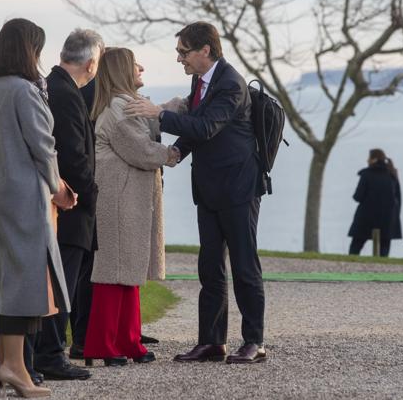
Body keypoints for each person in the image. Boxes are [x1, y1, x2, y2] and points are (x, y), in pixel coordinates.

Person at [124, 21, 266, 364]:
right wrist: (174, 154)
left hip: (238, 188)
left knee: (245, 267)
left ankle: (254, 342)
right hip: (209, 188)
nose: (179, 59)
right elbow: (199, 128)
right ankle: (212, 342)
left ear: (206, 50)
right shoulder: (200, 81)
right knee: (210, 267)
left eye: (183, 52)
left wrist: (159, 114)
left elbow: (206, 126)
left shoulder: (231, 84)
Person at [0, 18, 76, 398]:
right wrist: (59, 190)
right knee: (26, 280)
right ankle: (14, 367)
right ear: (28, 49)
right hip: (25, 195)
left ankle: (9, 364)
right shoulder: (24, 90)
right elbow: (43, 146)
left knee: (8, 280)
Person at [82, 47, 179, 366]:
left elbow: (147, 127)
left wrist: (172, 109)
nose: (142, 67)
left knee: (128, 272)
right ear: (123, 70)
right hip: (118, 200)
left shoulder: (123, 104)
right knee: (114, 272)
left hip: (126, 198)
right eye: (135, 64)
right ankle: (104, 344)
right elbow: (140, 149)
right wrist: (173, 153)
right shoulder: (119, 108)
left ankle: (127, 340)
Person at [32, 29, 104, 381]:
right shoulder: (64, 93)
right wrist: (91, 195)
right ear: (91, 63)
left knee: (61, 282)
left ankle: (49, 350)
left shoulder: (55, 86)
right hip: (70, 205)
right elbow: (73, 155)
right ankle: (51, 354)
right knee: (62, 283)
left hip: (65, 202)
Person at [348, 148, 402, 257]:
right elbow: (398, 197)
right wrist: (395, 216)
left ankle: (351, 267)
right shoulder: (392, 173)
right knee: (384, 249)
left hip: (366, 217)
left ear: (374, 159)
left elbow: (358, 197)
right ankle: (382, 271)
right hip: (387, 218)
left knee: (355, 247)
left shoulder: (367, 174)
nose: (367, 160)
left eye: (369, 158)